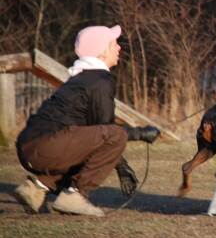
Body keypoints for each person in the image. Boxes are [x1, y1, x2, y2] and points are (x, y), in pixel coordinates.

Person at [14, 25, 160, 217]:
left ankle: (36, 188)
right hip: (46, 148)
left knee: (91, 146)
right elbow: (109, 132)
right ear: (103, 51)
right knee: (115, 134)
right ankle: (74, 196)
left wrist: (120, 164)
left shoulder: (81, 78)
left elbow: (93, 137)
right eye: (114, 44)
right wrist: (140, 134)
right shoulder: (100, 82)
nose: (119, 48)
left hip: (29, 148)